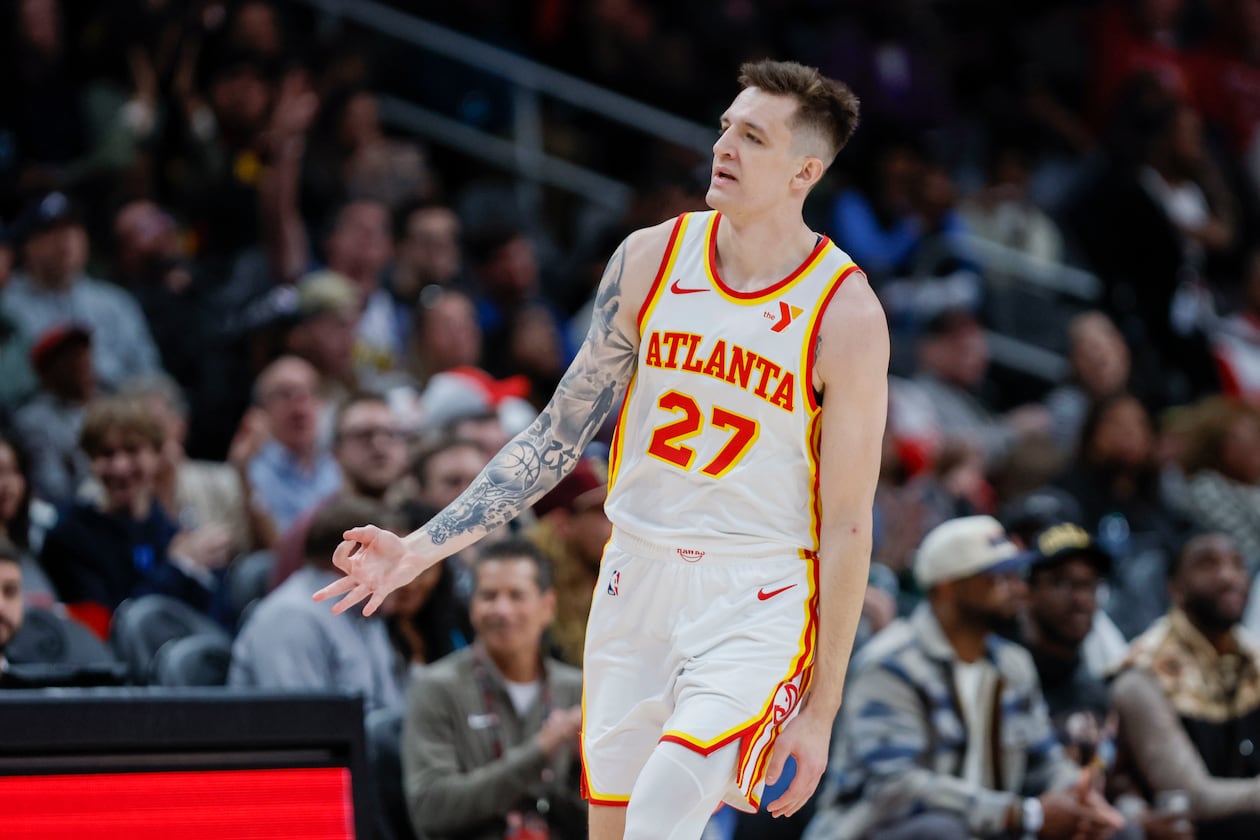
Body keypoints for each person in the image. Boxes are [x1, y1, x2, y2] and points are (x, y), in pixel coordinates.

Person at [318, 59, 888, 839]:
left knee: (661, 812)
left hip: (754, 596)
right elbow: (558, 433)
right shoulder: (650, 259)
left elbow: (850, 522)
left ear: (804, 171)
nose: (724, 146)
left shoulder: (845, 312)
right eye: (726, 126)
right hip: (634, 578)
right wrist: (419, 548)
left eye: (753, 137)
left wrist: (821, 712)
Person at [805, 515, 1127, 840]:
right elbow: (895, 789)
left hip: (989, 828)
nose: (1016, 588)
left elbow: (1044, 759)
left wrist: (1078, 796)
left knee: (1118, 830)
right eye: (998, 577)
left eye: (1016, 575)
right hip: (878, 831)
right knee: (942, 831)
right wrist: (1024, 814)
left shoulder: (1012, 664)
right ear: (948, 587)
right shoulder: (891, 664)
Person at [402, 539, 584, 839]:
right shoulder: (435, 687)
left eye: (516, 595)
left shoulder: (578, 690)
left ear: (547, 607)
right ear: (472, 606)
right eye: (489, 596)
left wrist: (583, 767)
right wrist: (540, 751)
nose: (502, 609)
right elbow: (430, 811)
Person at [1110, 532, 1260, 838]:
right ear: (1176, 588)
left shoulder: (1252, 657)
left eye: (1237, 563)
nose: (1228, 577)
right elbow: (1192, 796)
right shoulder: (1142, 674)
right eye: (1208, 564)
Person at [229, 494, 404, 715]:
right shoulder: (291, 618)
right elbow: (301, 725)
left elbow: (389, 712)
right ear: (350, 557)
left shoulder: (366, 607)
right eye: (389, 555)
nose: (400, 570)